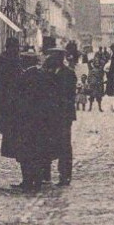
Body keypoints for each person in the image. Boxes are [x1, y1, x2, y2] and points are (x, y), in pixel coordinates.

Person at [14, 53, 57, 193]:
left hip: (25, 121)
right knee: (38, 150)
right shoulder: (44, 76)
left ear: (26, 63)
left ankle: (27, 181)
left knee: (25, 152)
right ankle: (37, 181)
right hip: (41, 121)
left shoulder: (22, 77)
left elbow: (16, 100)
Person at [0, 37, 24, 167]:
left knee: (8, 127)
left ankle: (11, 148)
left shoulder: (2, 60)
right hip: (12, 98)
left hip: (4, 98)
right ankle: (14, 149)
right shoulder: (13, 61)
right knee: (13, 127)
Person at [46, 50, 76, 186]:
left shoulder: (69, 73)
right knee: (48, 143)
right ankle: (45, 174)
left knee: (64, 145)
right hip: (50, 114)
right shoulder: (48, 73)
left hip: (64, 115)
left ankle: (65, 175)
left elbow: (70, 95)